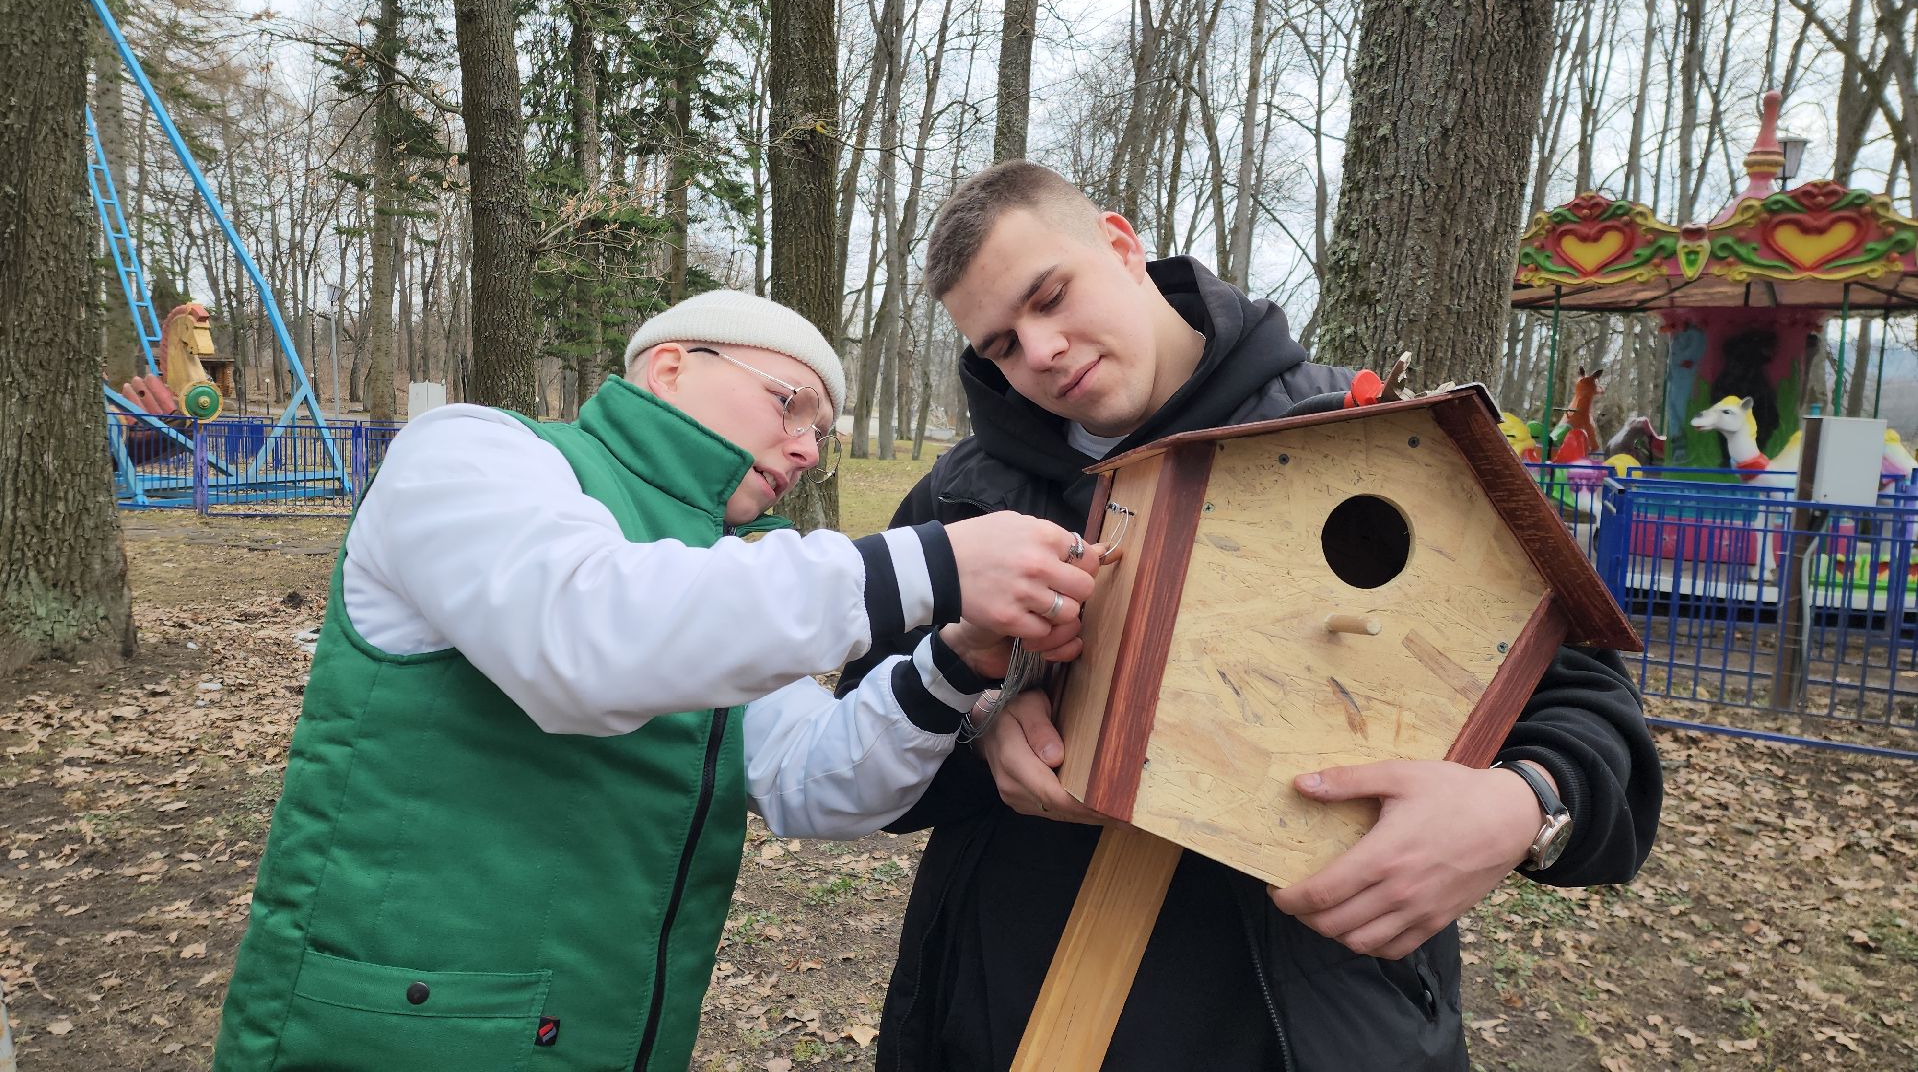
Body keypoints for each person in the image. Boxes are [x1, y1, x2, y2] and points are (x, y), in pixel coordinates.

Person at [839, 161, 1664, 1071]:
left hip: (1303, 1023)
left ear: (1121, 246)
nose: (1039, 352)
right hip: (1003, 1012)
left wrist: (1523, 805)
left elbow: (1589, 714)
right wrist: (977, 717)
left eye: (1052, 296)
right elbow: (859, 739)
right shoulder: (963, 501)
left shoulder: (1370, 443)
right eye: (999, 344)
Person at [211, 289, 1108, 1071]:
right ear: (672, 367)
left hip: (603, 1036)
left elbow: (815, 779)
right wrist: (932, 564)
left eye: (820, 437)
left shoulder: (716, 581)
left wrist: (960, 656)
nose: (802, 449)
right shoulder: (474, 454)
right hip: (394, 1039)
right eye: (789, 405)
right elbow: (582, 639)